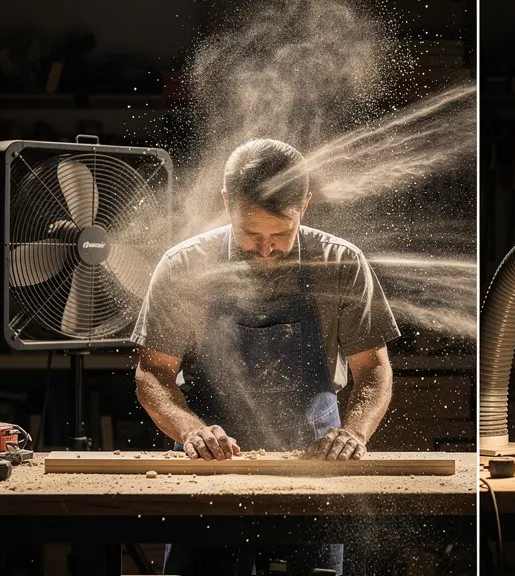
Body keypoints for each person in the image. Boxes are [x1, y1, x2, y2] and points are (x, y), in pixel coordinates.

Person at [132, 138, 400, 575]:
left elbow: (372, 369)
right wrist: (191, 431)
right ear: (227, 203)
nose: (264, 248)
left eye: (280, 234)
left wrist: (353, 433)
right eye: (250, 234)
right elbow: (153, 374)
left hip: (316, 468)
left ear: (305, 205)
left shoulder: (340, 263)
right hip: (212, 468)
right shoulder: (185, 267)